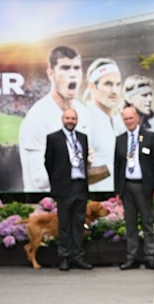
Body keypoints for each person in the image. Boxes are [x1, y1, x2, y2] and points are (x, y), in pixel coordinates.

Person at [20, 45, 90, 192]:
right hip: (45, 205)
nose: (72, 74)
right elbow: (39, 179)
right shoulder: (37, 117)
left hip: (77, 197)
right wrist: (74, 161)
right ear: (51, 73)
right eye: (65, 68)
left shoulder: (83, 112)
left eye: (76, 68)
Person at [44, 108, 93, 271]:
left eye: (73, 118)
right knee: (64, 224)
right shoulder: (53, 138)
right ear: (62, 119)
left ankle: (78, 256)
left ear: (77, 120)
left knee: (78, 223)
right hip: (64, 187)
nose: (70, 121)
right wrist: (57, 181)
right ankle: (64, 257)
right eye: (68, 118)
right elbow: (48, 163)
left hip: (80, 185)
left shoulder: (83, 138)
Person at [114, 105, 154, 270]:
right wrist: (117, 190)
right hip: (127, 186)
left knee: (148, 223)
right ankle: (131, 257)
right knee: (130, 224)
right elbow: (117, 166)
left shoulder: (150, 137)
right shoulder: (120, 139)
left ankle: (150, 256)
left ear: (137, 118)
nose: (128, 121)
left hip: (144, 186)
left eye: (131, 118)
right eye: (125, 119)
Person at [83, 58, 125, 192]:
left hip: (122, 198)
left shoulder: (120, 120)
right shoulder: (84, 119)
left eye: (118, 84)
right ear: (92, 87)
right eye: (108, 84)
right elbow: (78, 174)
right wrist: (118, 166)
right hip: (95, 202)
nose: (115, 91)